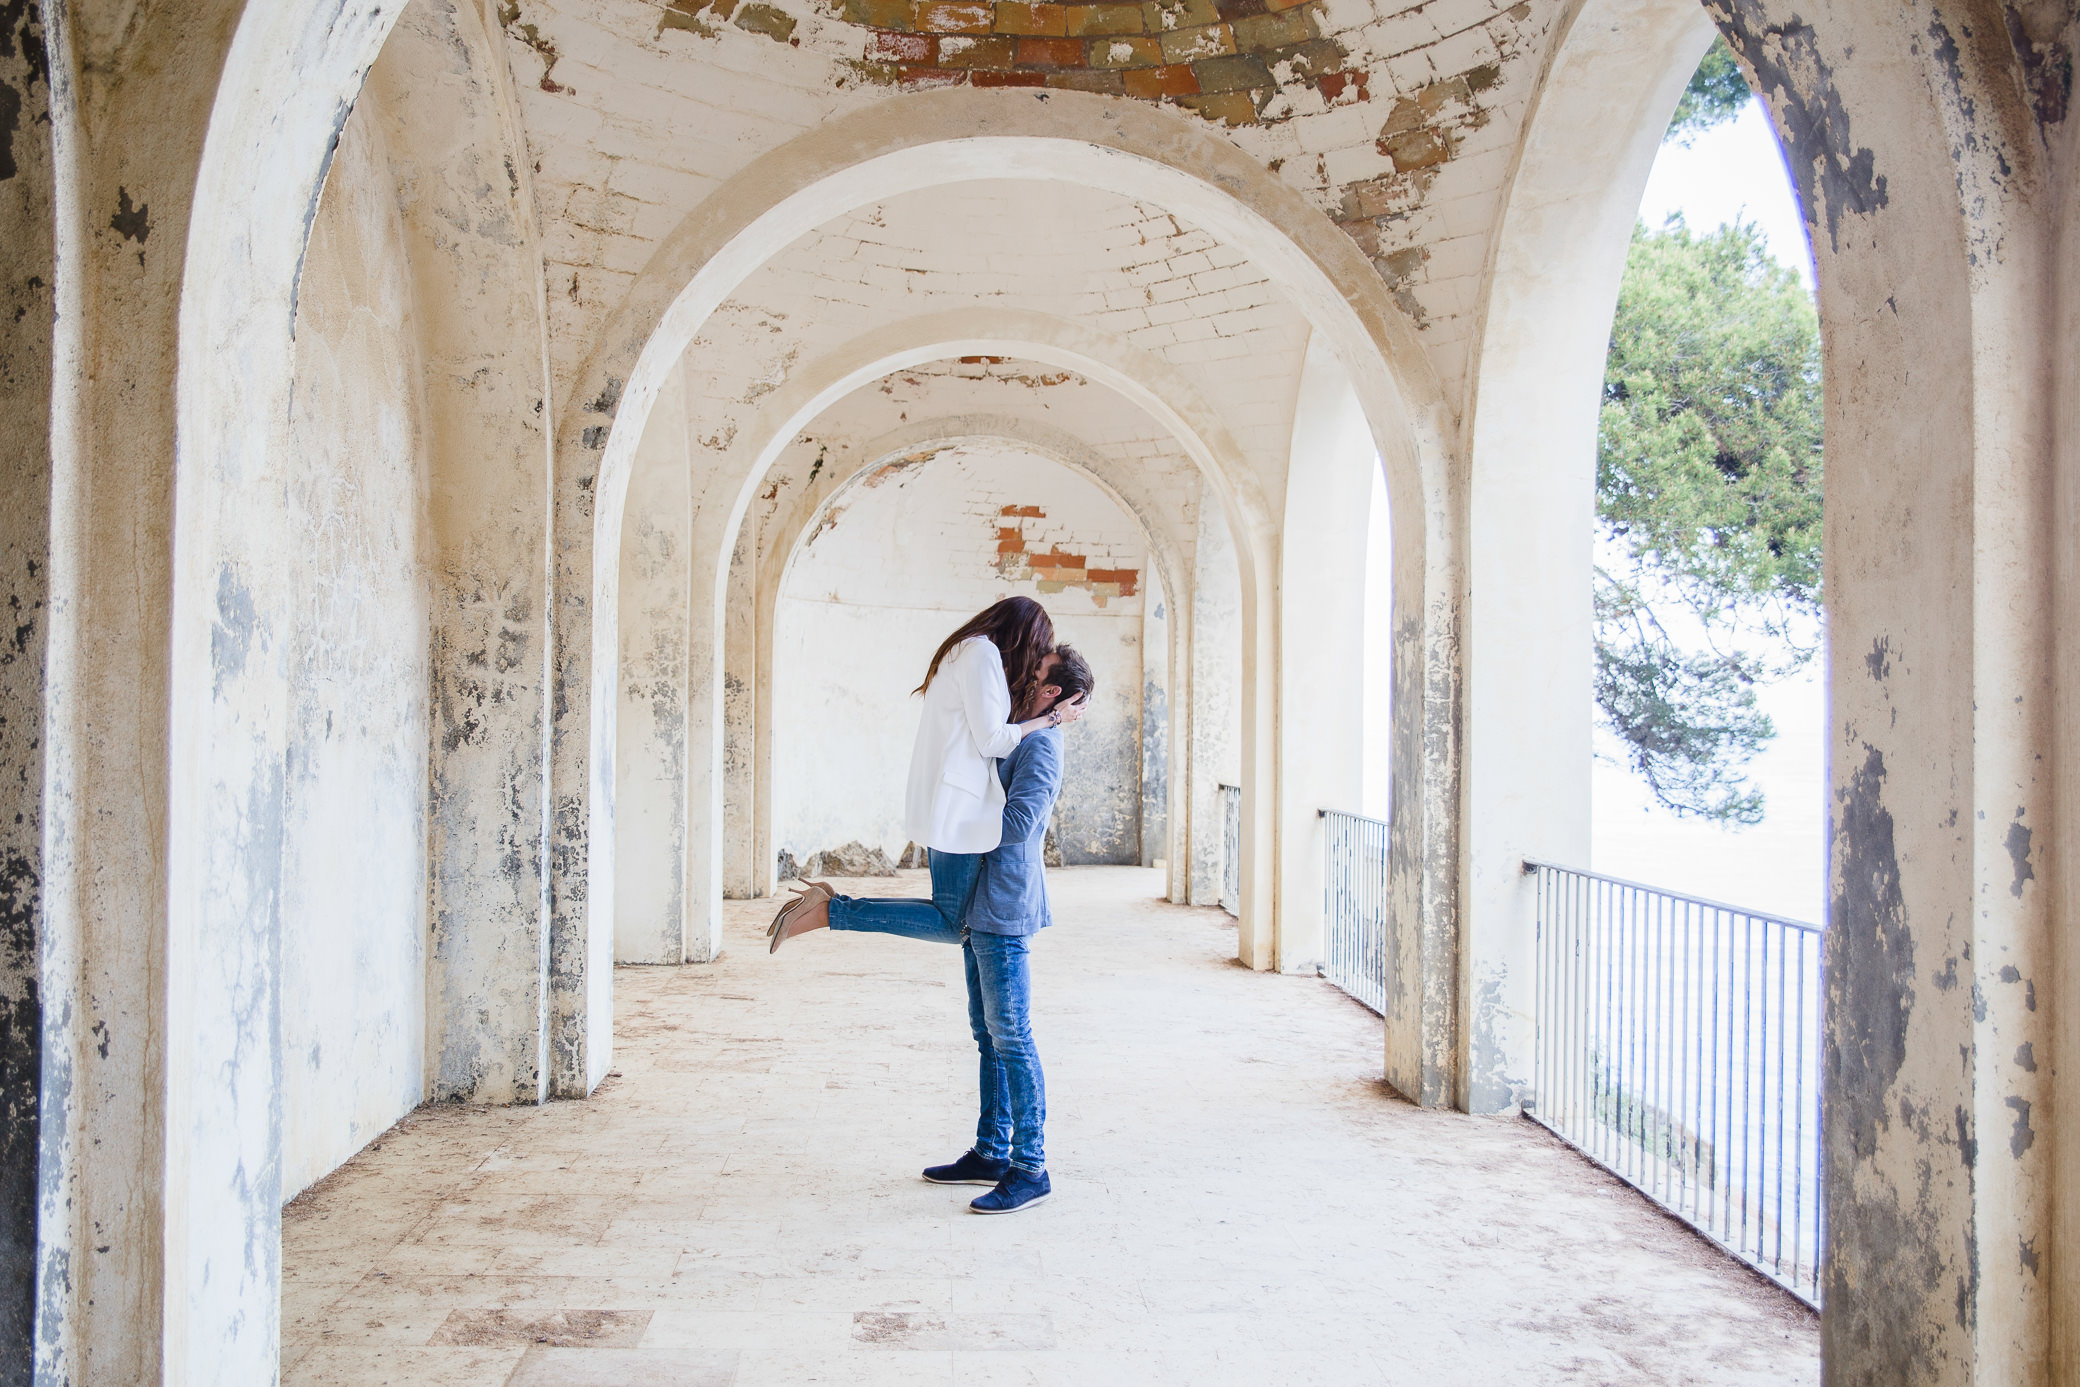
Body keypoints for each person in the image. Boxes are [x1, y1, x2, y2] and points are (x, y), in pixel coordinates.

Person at [769, 637, 1094, 1215]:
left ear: (1050, 691)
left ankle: (1031, 1167)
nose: (1023, 672)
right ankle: (991, 1152)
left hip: (1004, 905)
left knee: (1012, 1035)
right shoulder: (1014, 726)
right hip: (980, 899)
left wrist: (965, 808)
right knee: (987, 1036)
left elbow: (1020, 824)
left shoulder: (1043, 745)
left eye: (1036, 670)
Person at [767, 595, 1082, 950]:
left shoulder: (965, 651)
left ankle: (829, 908)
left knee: (953, 919)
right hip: (961, 805)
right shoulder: (981, 655)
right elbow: (994, 740)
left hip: (952, 800)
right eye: (1037, 649)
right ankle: (829, 911)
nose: (1032, 663)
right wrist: (1052, 718)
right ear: (1023, 634)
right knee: (954, 923)